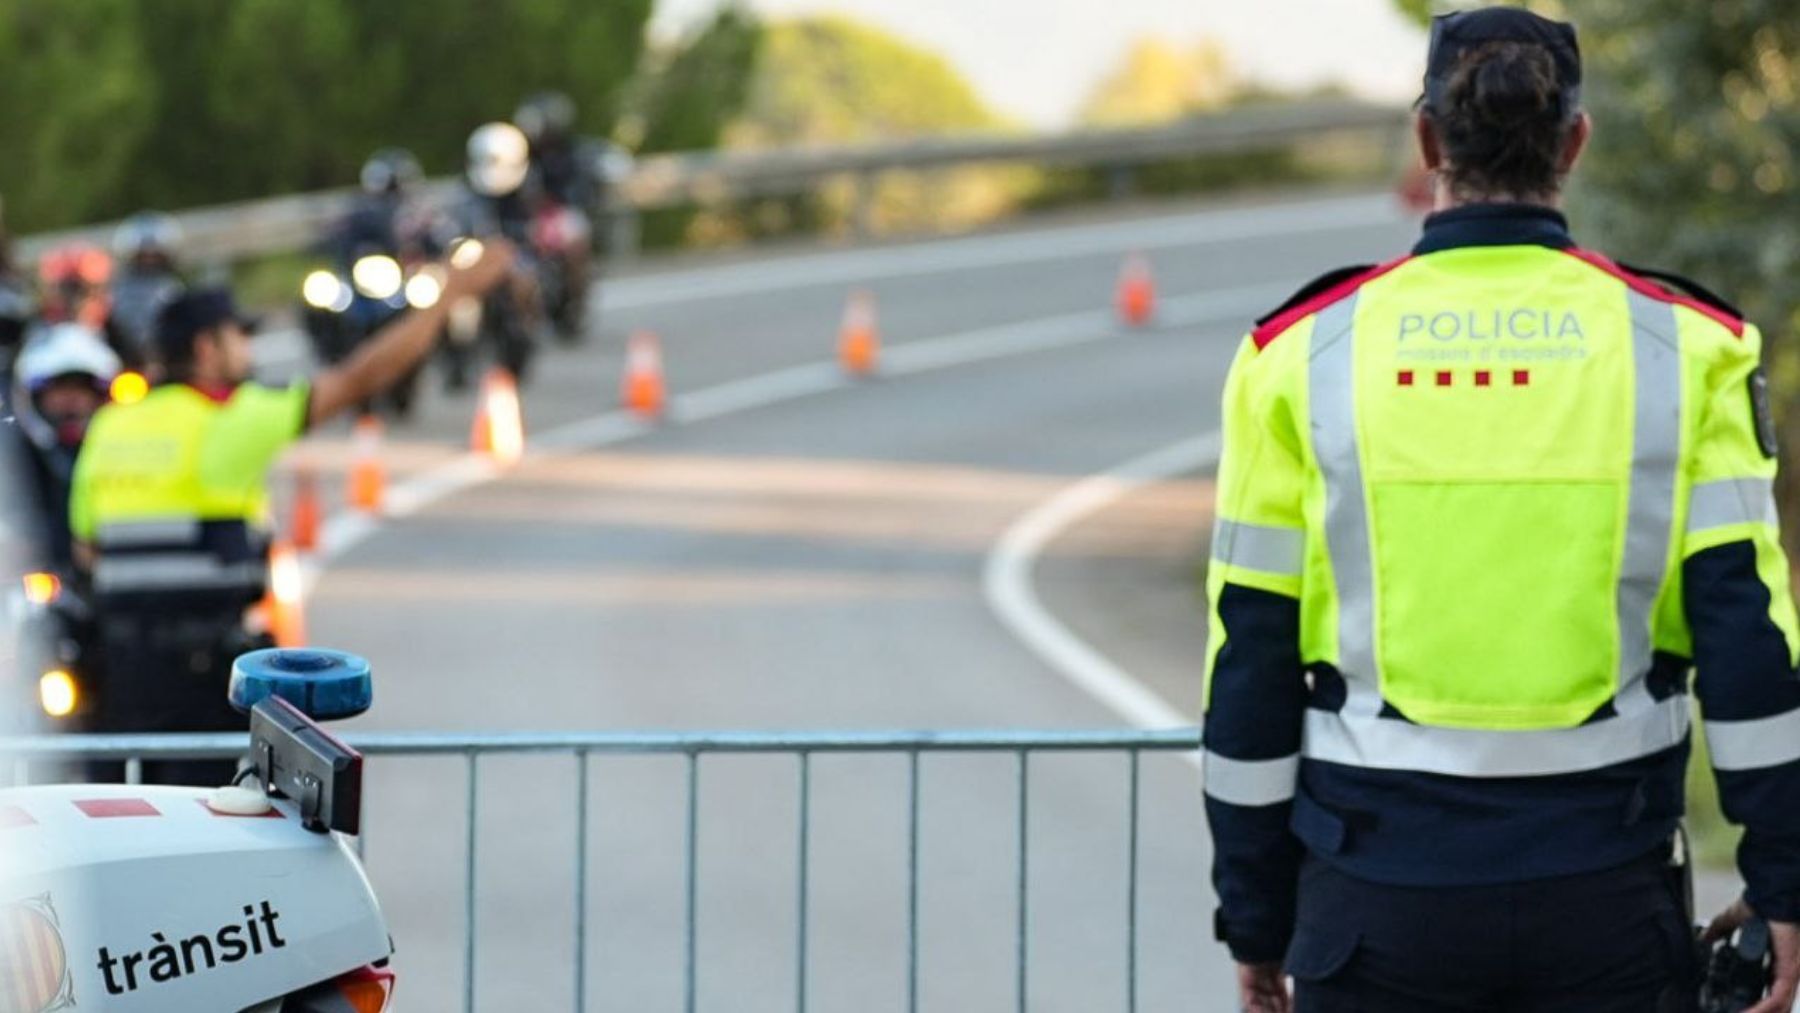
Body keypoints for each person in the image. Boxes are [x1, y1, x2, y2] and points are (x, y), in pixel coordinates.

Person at [1203, 9, 1800, 1012]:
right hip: (1606, 905)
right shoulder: (1688, 346)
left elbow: (1250, 657)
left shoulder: (1297, 353)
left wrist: (1255, 916)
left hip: (1375, 906)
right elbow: (1749, 643)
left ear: (1428, 140)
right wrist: (1785, 880)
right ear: (1575, 142)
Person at [66, 239, 515, 784]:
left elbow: (85, 545)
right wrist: (450, 297)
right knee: (214, 822)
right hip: (203, 674)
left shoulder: (112, 424)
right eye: (239, 338)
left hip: (119, 675)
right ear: (207, 349)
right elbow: (361, 377)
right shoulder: (228, 420)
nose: (249, 353)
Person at [7, 323, 120, 571]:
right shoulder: (12, 454)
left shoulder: (123, 451)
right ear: (35, 396)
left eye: (82, 388)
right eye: (59, 388)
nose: (72, 399)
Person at [109, 211, 187, 359]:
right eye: (143, 257)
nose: (149, 262)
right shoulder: (118, 293)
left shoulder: (173, 290)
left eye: (155, 256)